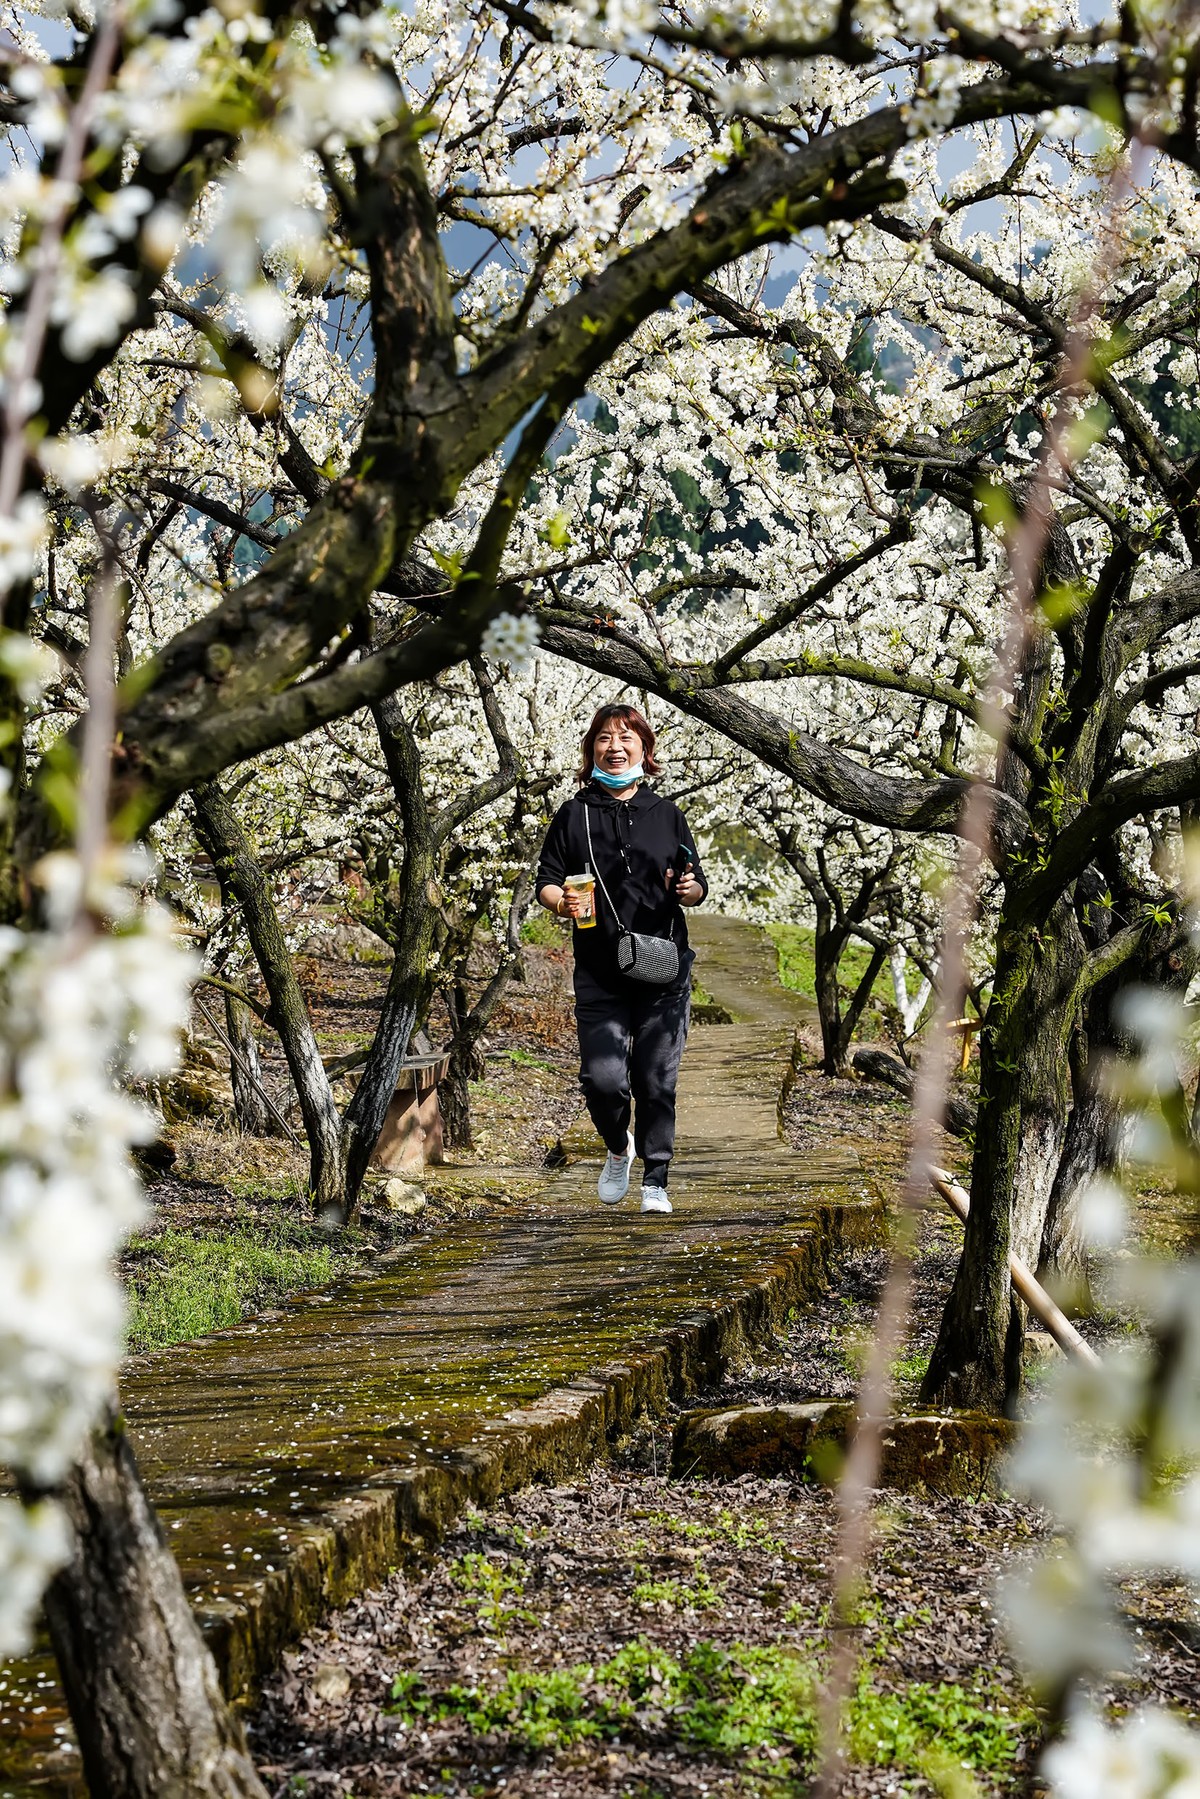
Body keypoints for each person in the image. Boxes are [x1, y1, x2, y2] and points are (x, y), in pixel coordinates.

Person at [535, 703, 707, 1216]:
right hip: (600, 969)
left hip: (663, 968)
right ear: (591, 750)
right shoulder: (574, 814)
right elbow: (547, 879)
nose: (615, 747)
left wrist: (690, 888)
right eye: (604, 738)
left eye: (626, 737)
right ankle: (618, 1146)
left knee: (657, 1079)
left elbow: (695, 883)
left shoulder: (668, 814)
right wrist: (560, 901)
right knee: (603, 1079)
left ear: (645, 750)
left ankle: (656, 1178)